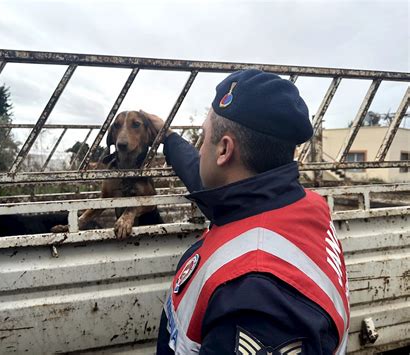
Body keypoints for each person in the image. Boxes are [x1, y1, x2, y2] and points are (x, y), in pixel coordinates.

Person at [141, 69, 350, 355]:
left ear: (224, 150)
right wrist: (168, 137)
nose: (200, 150)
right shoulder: (304, 205)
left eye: (203, 139)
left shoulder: (257, 299)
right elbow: (211, 179)